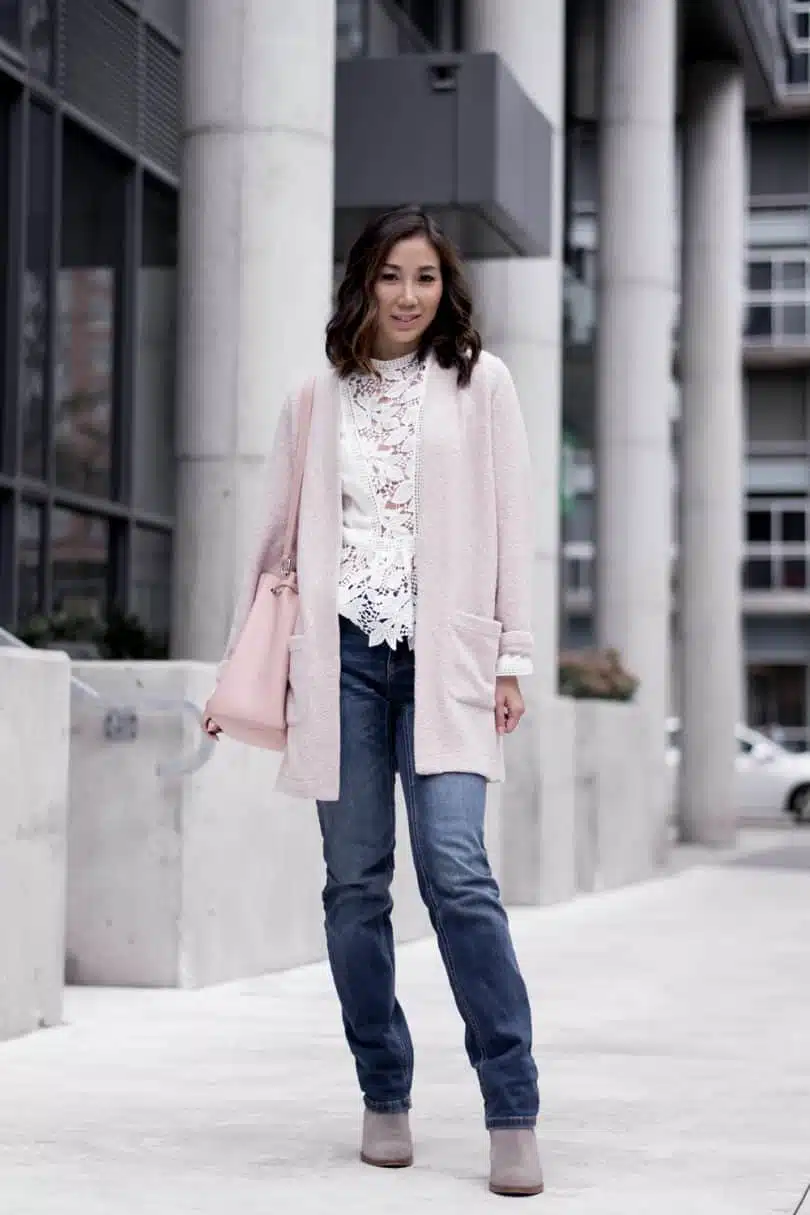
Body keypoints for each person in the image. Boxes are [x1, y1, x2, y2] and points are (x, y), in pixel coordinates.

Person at [206, 205, 542, 1197]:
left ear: (447, 289)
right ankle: (383, 1091)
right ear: (363, 282)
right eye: (392, 277)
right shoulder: (315, 395)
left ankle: (511, 1105)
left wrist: (512, 656)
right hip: (341, 663)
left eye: (426, 279)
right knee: (355, 887)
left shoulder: (484, 384)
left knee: (457, 872)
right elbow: (276, 544)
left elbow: (512, 519)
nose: (408, 297)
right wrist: (251, 665)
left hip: (446, 662)